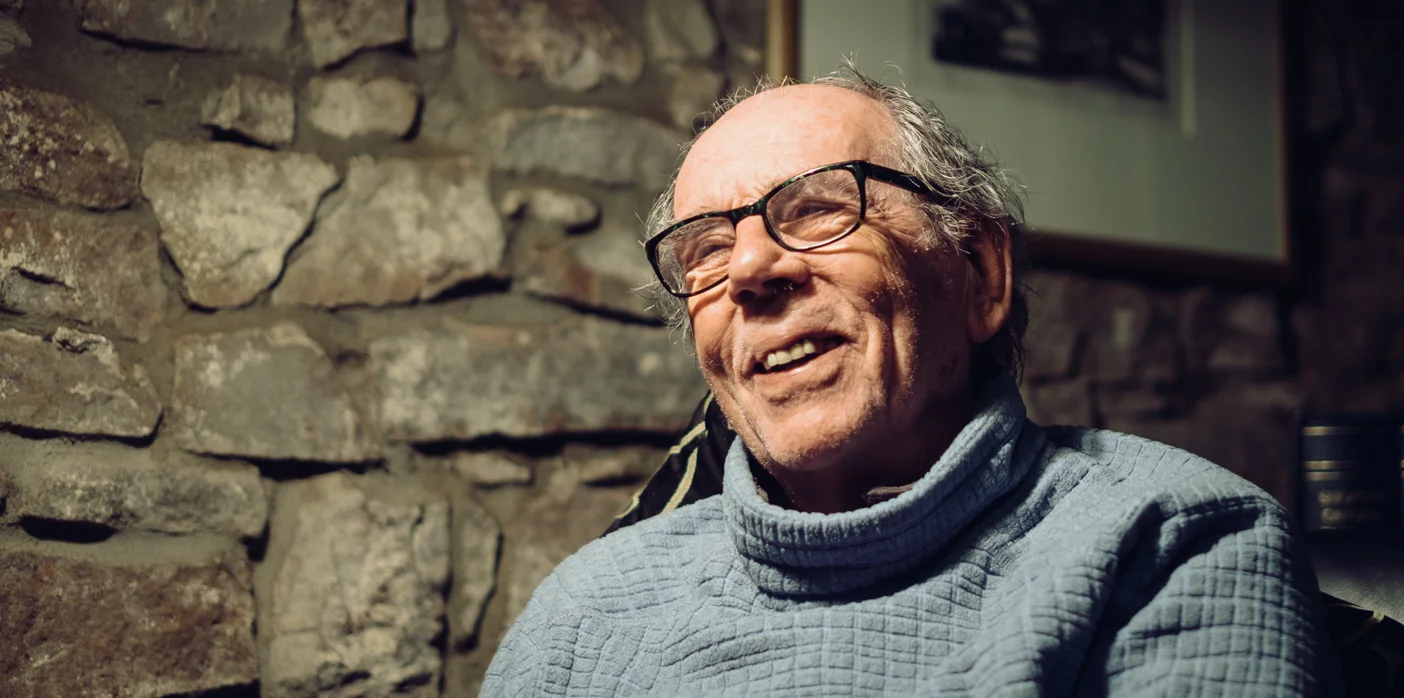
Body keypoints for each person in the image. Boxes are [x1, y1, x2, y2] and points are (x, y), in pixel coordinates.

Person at [481, 67, 1339, 696]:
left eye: (819, 208)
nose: (747, 270)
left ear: (980, 274)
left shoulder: (1174, 544)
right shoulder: (586, 611)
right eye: (705, 247)